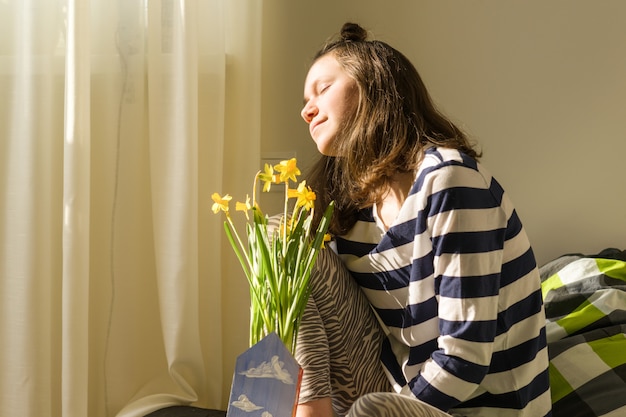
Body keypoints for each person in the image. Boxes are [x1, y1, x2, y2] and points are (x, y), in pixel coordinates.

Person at [293, 22, 552, 417]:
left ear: (371, 84)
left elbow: (464, 357)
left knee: (372, 411)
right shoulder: (350, 210)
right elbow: (321, 312)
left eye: (323, 89)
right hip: (398, 390)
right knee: (287, 246)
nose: (306, 109)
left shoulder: (450, 181)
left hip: (481, 405)